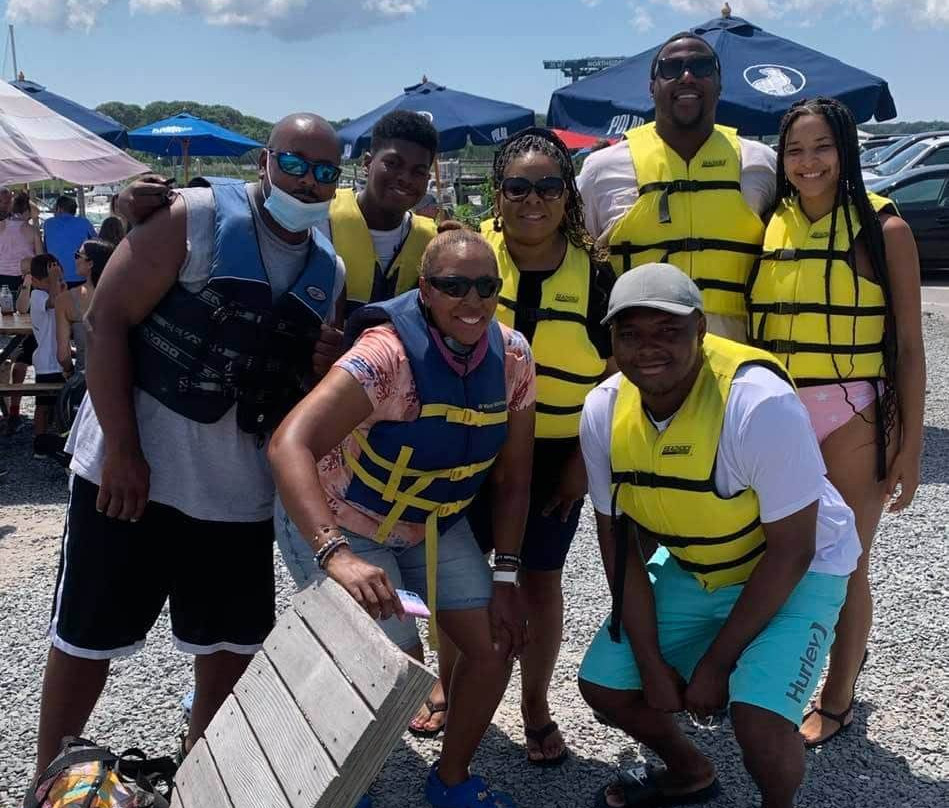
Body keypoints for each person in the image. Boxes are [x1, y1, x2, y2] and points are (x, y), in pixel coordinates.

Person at [31, 112, 347, 781]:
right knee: (87, 637)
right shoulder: (193, 217)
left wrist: (321, 367)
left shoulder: (329, 270)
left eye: (325, 172)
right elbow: (106, 320)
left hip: (235, 494)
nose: (308, 182)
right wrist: (123, 450)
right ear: (265, 161)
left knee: (231, 650)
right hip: (130, 475)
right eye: (294, 164)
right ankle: (46, 781)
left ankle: (203, 782)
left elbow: (295, 394)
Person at [578, 263, 861, 808]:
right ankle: (690, 773)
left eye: (669, 330)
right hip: (702, 566)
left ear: (702, 329)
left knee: (759, 719)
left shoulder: (757, 403)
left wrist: (717, 664)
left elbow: (794, 548)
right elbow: (618, 544)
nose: (648, 348)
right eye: (630, 333)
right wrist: (651, 663)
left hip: (799, 566)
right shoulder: (603, 410)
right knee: (606, 685)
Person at [269, 229, 535, 808]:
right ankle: (340, 782)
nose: (472, 300)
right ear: (425, 289)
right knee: (391, 663)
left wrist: (507, 577)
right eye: (453, 285)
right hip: (344, 518)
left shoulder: (513, 357)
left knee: (494, 644)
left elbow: (515, 479)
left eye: (486, 286)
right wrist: (334, 554)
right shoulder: (383, 357)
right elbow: (289, 443)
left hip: (432, 524)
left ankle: (452, 779)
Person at [407, 128, 615, 762]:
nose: (533, 200)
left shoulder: (596, 275)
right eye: (518, 187)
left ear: (568, 195)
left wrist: (584, 461)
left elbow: (617, 379)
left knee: (539, 581)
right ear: (497, 193)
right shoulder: (467, 256)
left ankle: (535, 704)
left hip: (555, 456)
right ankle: (448, 684)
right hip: (466, 450)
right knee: (456, 578)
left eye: (548, 187)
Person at [746, 97, 925, 746]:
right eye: (794, 150)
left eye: (821, 147)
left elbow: (909, 347)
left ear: (845, 150)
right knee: (773, 557)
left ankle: (839, 695)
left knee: (847, 564)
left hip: (852, 411)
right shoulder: (765, 223)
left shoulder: (884, 230)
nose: (808, 162)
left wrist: (908, 448)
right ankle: (774, 678)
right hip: (776, 413)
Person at [577, 32, 775, 341]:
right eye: (671, 68)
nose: (687, 77)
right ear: (652, 87)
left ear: (719, 84)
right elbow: (578, 264)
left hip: (739, 354)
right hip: (640, 355)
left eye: (702, 66)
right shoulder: (600, 169)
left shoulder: (763, 164)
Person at [325, 110, 438, 318]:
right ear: (367, 164)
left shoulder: (430, 241)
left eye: (418, 171)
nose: (405, 178)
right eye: (392, 164)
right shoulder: (323, 218)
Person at [0, 191, 43, 434]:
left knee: (6, 342)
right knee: (23, 346)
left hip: (2, 284)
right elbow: (40, 260)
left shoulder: (2, 226)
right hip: (25, 282)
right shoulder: (32, 230)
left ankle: (9, 409)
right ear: (27, 210)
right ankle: (14, 409)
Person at [15, 254, 65, 457]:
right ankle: (39, 443)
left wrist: (56, 281)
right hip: (46, 360)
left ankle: (56, 440)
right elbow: (54, 301)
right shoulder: (37, 296)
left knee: (59, 402)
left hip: (56, 358)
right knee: (42, 405)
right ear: (35, 281)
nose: (55, 282)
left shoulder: (50, 290)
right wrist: (54, 280)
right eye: (50, 280)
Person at [55, 239, 114, 376]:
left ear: (91, 263)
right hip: (120, 377)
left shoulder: (65, 300)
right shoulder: (124, 294)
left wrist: (70, 372)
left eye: (78, 255)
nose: (75, 259)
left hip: (86, 378)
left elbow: (63, 356)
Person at [42, 195, 96, 288]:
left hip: (56, 277)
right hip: (80, 276)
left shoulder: (48, 224)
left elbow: (45, 247)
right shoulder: (84, 223)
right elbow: (96, 245)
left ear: (59, 209)